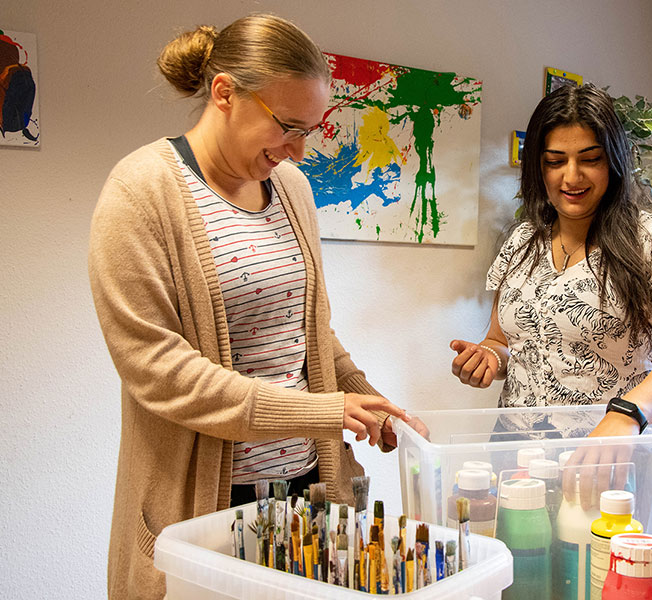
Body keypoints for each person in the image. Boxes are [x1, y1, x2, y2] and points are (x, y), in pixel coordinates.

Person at [88, 15, 424, 599]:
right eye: (287, 126)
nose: (297, 149)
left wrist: (362, 397)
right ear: (224, 93)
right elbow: (159, 372)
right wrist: (321, 412)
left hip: (305, 490)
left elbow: (309, 327)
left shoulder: (292, 188)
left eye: (310, 130)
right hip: (205, 504)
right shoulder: (141, 191)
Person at [450, 83, 652, 505]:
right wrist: (488, 357)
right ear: (539, 168)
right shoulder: (522, 241)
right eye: (555, 161)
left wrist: (627, 415)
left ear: (614, 162)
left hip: (608, 460)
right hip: (518, 460)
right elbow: (502, 340)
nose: (572, 176)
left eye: (590, 159)